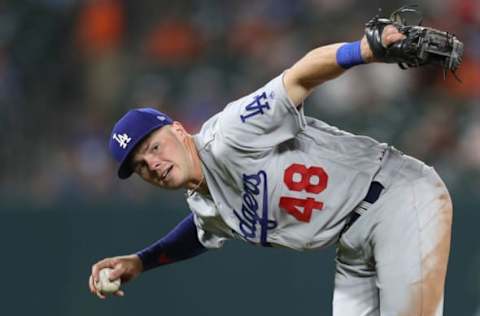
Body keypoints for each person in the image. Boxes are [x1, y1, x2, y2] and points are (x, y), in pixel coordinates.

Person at [88, 23, 453, 315]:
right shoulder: (204, 201)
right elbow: (201, 231)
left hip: (397, 198)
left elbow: (298, 77)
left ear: (179, 129)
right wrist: (139, 261)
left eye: (154, 146)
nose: (153, 164)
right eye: (140, 165)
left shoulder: (231, 133)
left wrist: (362, 51)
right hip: (354, 243)